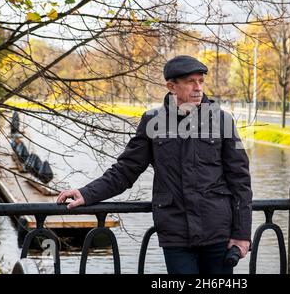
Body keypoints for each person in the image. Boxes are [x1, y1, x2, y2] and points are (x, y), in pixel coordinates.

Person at [56, 55, 252, 274]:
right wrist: (87, 193)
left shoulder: (222, 121)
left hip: (218, 232)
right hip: (176, 234)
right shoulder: (153, 122)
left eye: (201, 81)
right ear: (171, 86)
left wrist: (242, 234)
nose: (198, 88)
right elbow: (126, 170)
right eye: (190, 82)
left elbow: (240, 180)